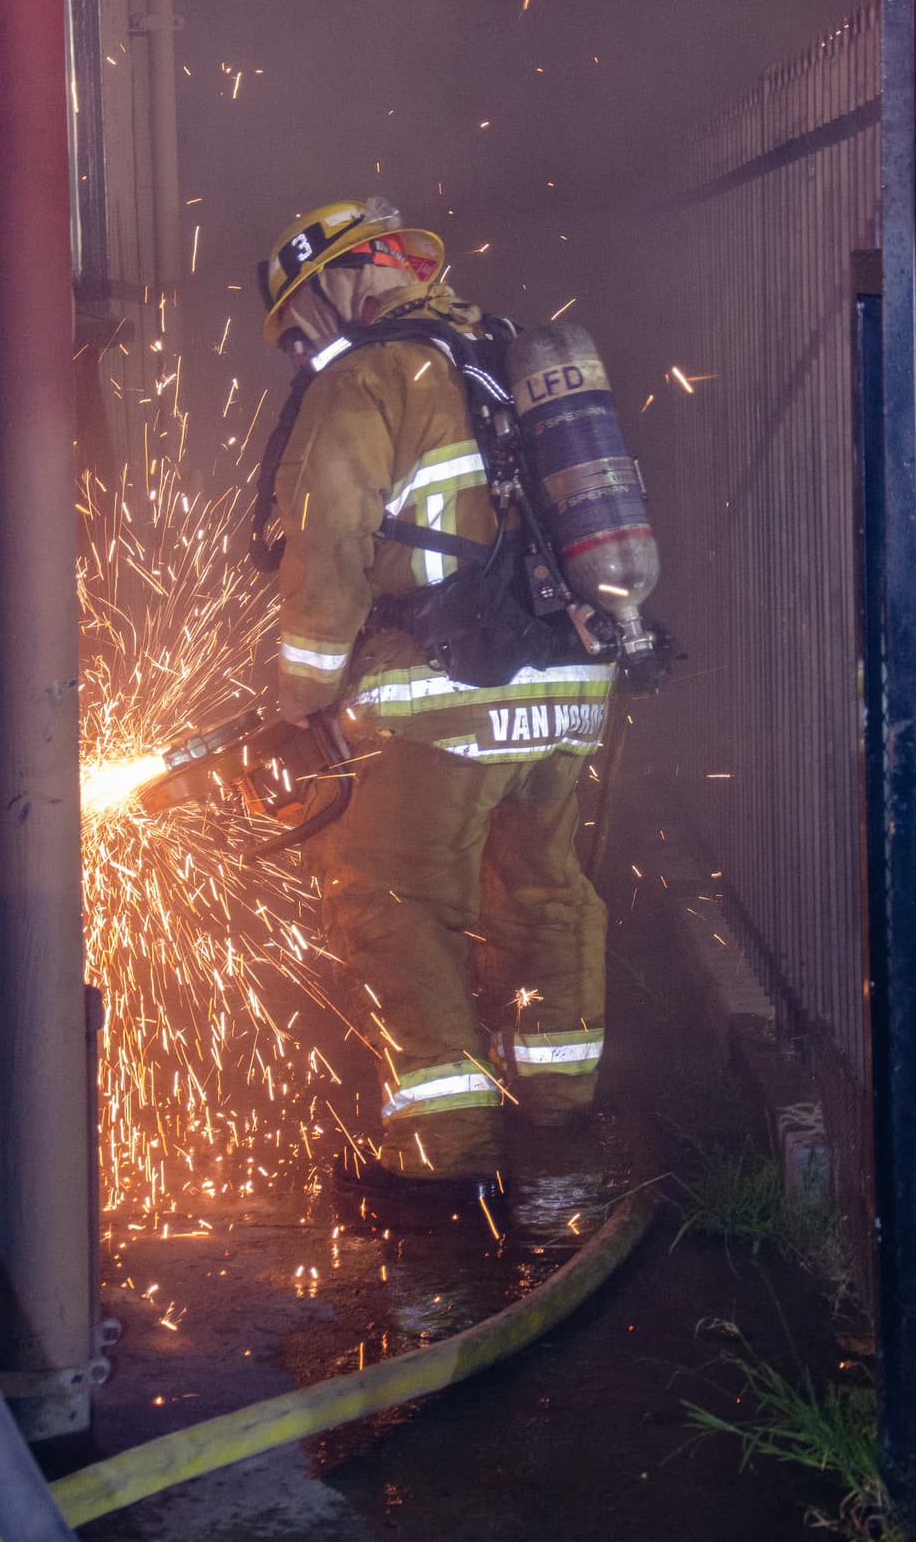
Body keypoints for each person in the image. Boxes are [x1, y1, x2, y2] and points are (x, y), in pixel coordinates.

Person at [258, 197, 616, 1217]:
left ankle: (443, 1148)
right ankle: (559, 1112)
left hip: (444, 696)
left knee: (390, 900)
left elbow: (327, 547)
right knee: (543, 888)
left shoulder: (368, 374)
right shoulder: (504, 357)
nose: (298, 345)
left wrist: (302, 699)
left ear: (344, 278)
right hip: (569, 683)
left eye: (297, 319)